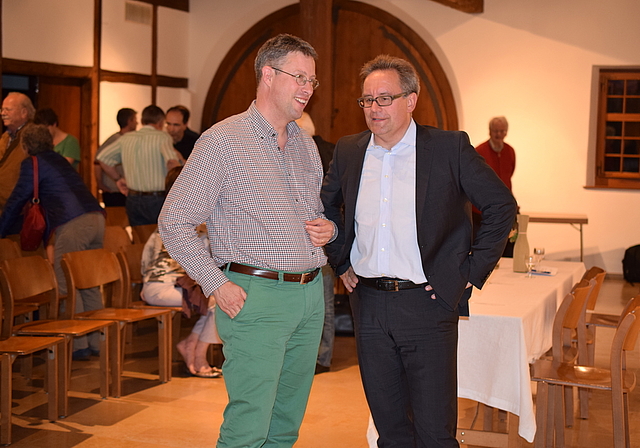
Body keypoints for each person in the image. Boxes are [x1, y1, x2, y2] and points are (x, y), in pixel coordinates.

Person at [321, 55, 517, 447]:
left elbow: (501, 206)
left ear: (411, 100)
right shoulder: (349, 150)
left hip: (428, 305)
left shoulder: (448, 148)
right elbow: (325, 207)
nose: (374, 109)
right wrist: (341, 258)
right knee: (390, 430)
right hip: (370, 306)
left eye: (384, 98)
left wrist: (468, 273)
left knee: (433, 432)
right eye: (367, 100)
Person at [158, 34, 333, 448]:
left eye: (313, 80)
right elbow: (175, 221)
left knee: (286, 422)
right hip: (257, 296)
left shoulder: (306, 145)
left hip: (310, 296)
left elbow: (316, 215)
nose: (308, 88)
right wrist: (214, 282)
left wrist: (330, 230)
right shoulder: (223, 141)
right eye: (300, 78)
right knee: (249, 424)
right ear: (268, 75)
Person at [0, 124, 106, 359]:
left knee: (66, 283)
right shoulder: (58, 159)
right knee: (88, 282)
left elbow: (17, 200)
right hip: (96, 219)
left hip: (74, 223)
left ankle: (78, 346)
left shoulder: (32, 163)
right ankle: (98, 343)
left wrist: (1, 230)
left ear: (25, 146)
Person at [141, 166, 222, 378]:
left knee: (215, 300)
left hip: (153, 286)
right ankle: (198, 354)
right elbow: (202, 266)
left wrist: (145, 284)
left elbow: (146, 260)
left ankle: (191, 345)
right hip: (169, 287)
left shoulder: (166, 220)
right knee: (220, 302)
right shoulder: (196, 226)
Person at [296, 111, 335, 374]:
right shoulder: (327, 149)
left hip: (321, 236)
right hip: (316, 237)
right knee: (322, 301)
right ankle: (318, 356)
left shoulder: (319, 152)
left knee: (323, 301)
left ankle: (320, 357)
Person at [96, 105, 180, 226]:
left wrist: (118, 179)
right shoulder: (162, 137)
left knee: (139, 238)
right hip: (157, 199)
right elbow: (171, 162)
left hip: (132, 198)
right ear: (161, 123)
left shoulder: (126, 138)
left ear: (142, 121)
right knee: (159, 239)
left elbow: (102, 158)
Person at [473, 116, 516, 255]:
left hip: (504, 209)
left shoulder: (510, 151)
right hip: (482, 211)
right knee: (485, 250)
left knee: (508, 247)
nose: (498, 134)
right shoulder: (479, 151)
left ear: (506, 132)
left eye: (501, 131)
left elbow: (510, 174)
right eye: (495, 131)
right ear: (490, 131)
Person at [94, 108, 138, 207]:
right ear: (129, 121)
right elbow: (98, 162)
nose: (137, 122)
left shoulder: (132, 139)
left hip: (128, 188)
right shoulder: (114, 140)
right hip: (114, 190)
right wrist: (100, 183)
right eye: (135, 119)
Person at [0, 92, 35, 211]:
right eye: (2, 109)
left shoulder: (33, 137)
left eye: (8, 109)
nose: (3, 113)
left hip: (19, 209)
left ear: (24, 113)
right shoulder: (6, 136)